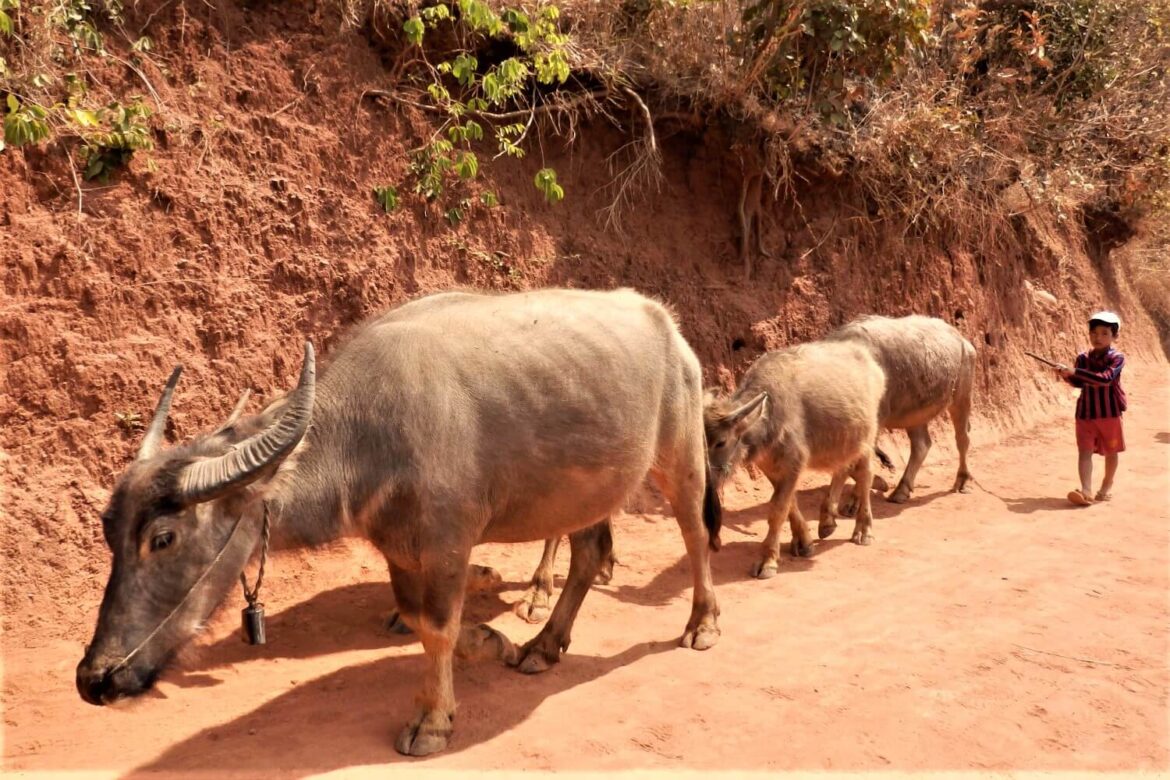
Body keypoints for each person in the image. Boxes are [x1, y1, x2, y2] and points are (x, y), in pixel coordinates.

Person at [1055, 310, 1126, 506]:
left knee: (1112, 452)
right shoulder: (1083, 358)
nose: (1098, 337)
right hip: (1085, 413)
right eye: (1094, 333)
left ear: (1114, 336)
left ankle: (1106, 485)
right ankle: (1086, 490)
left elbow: (1105, 379)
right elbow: (1080, 382)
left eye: (1104, 333)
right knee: (1084, 451)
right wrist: (1066, 375)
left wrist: (1075, 371)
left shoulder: (1117, 358)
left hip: (1110, 414)